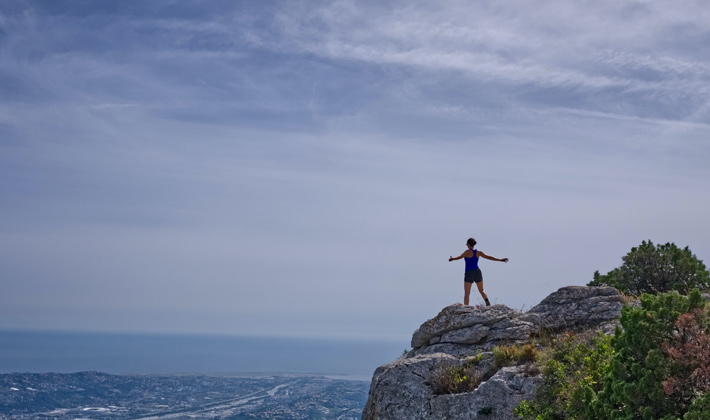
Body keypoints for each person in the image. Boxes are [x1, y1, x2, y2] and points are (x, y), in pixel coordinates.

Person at [448, 238, 508, 306]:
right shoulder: (478, 252)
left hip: (469, 272)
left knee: (467, 293)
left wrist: (452, 259)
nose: (466, 244)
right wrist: (500, 260)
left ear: (468, 244)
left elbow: (459, 257)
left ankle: (466, 307)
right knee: (481, 290)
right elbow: (488, 257)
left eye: (466, 243)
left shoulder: (467, 252)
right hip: (477, 272)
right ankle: (487, 301)